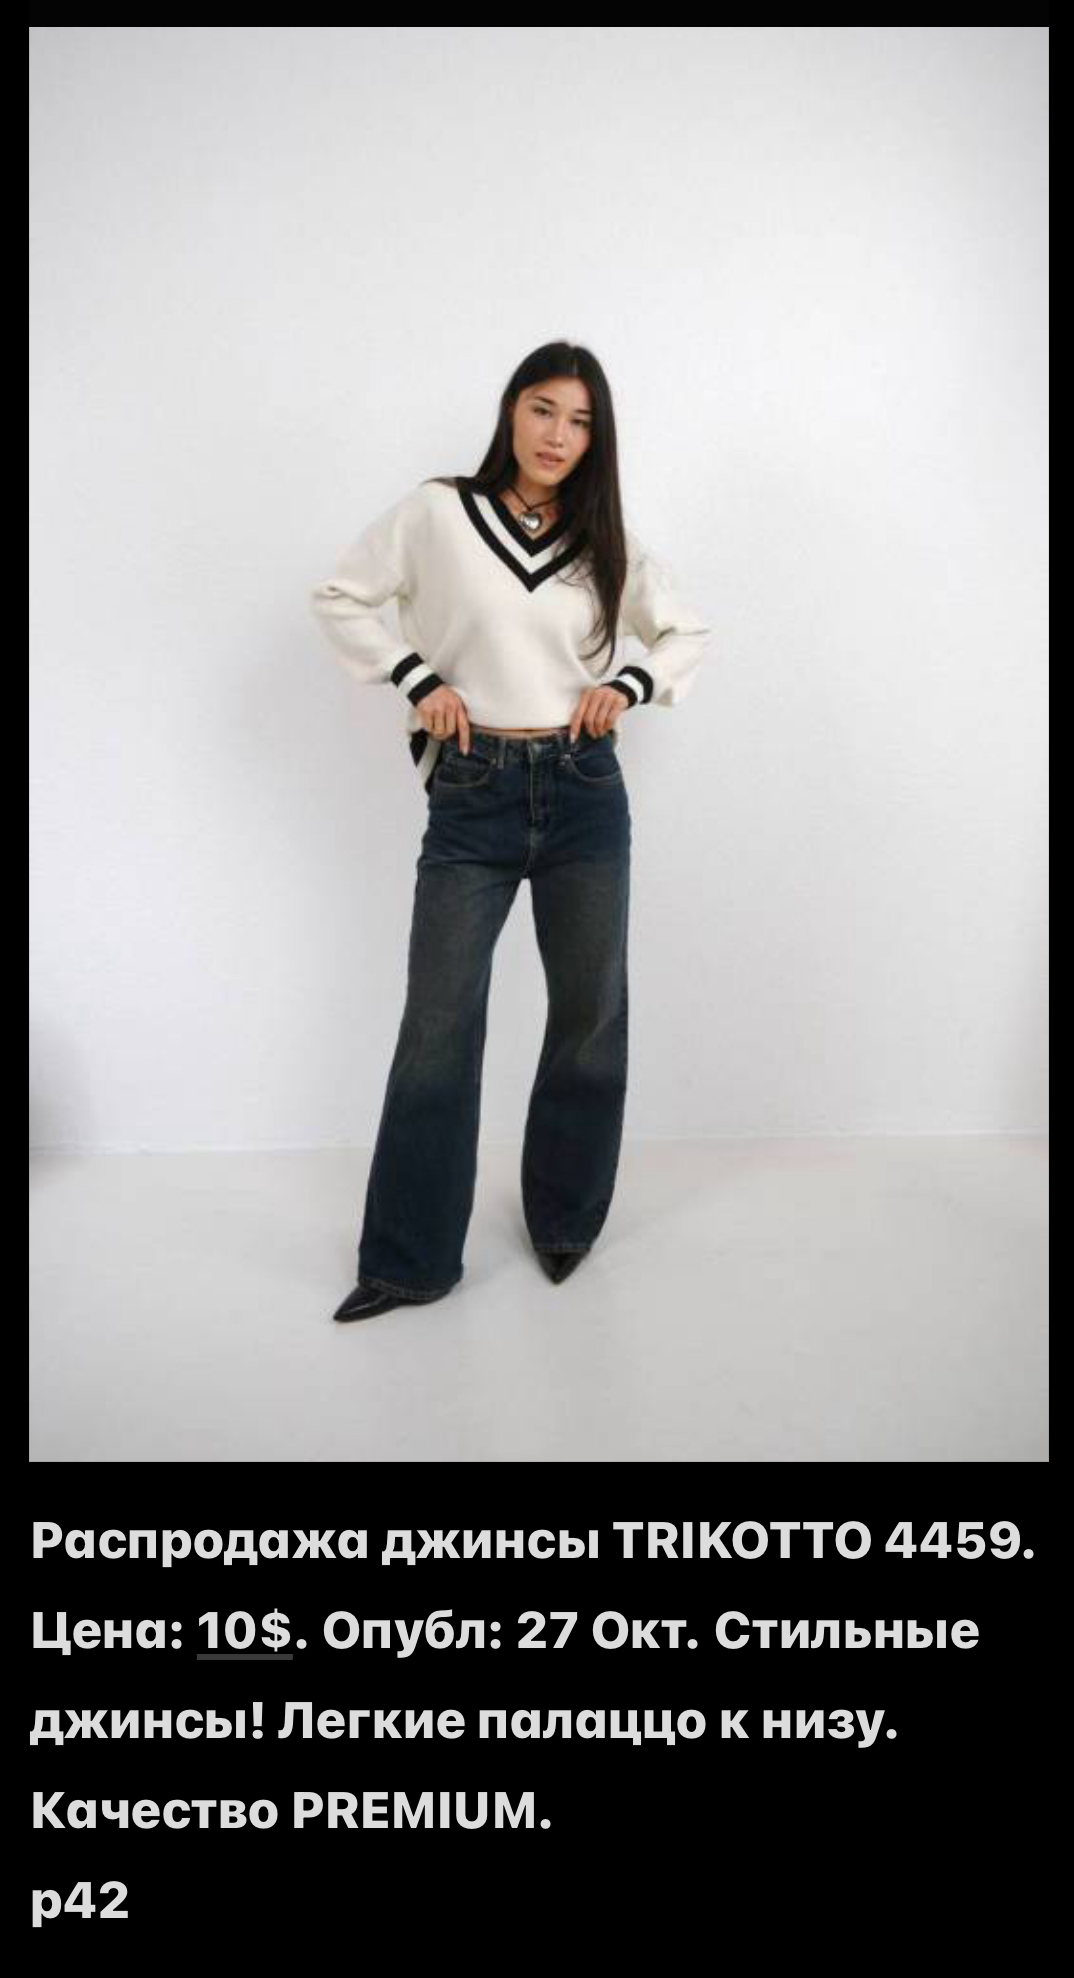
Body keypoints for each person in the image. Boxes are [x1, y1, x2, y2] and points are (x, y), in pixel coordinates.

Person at [310, 341, 711, 1321]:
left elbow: (685, 631)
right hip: (473, 790)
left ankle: (564, 1220)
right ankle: (408, 1260)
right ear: (511, 410)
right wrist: (418, 681)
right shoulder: (438, 512)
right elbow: (341, 596)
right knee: (438, 1026)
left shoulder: (605, 538)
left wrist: (630, 683)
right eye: (543, 410)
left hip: (583, 789)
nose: (558, 436)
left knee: (589, 1017)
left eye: (580, 422)